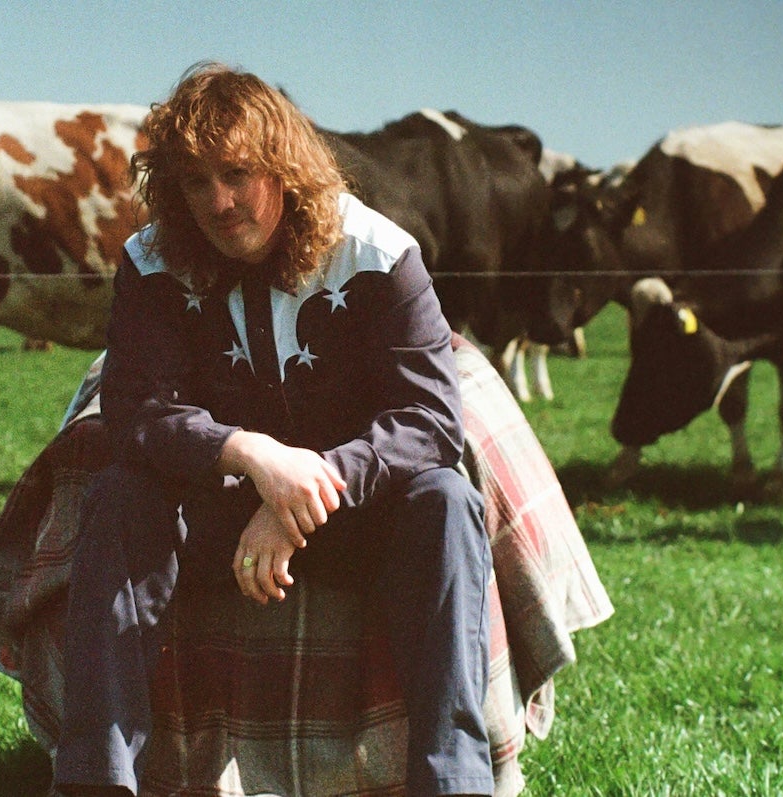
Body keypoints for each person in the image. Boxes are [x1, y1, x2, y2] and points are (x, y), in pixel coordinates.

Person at [54, 62, 493, 797]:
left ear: (285, 168)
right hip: (214, 510)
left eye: (237, 173)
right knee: (118, 496)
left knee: (447, 501)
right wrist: (251, 454)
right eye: (195, 182)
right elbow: (135, 408)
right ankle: (95, 780)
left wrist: (304, 493)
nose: (219, 203)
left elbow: (429, 419)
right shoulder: (152, 260)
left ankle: (456, 782)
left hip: (358, 516)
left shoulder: (379, 253)